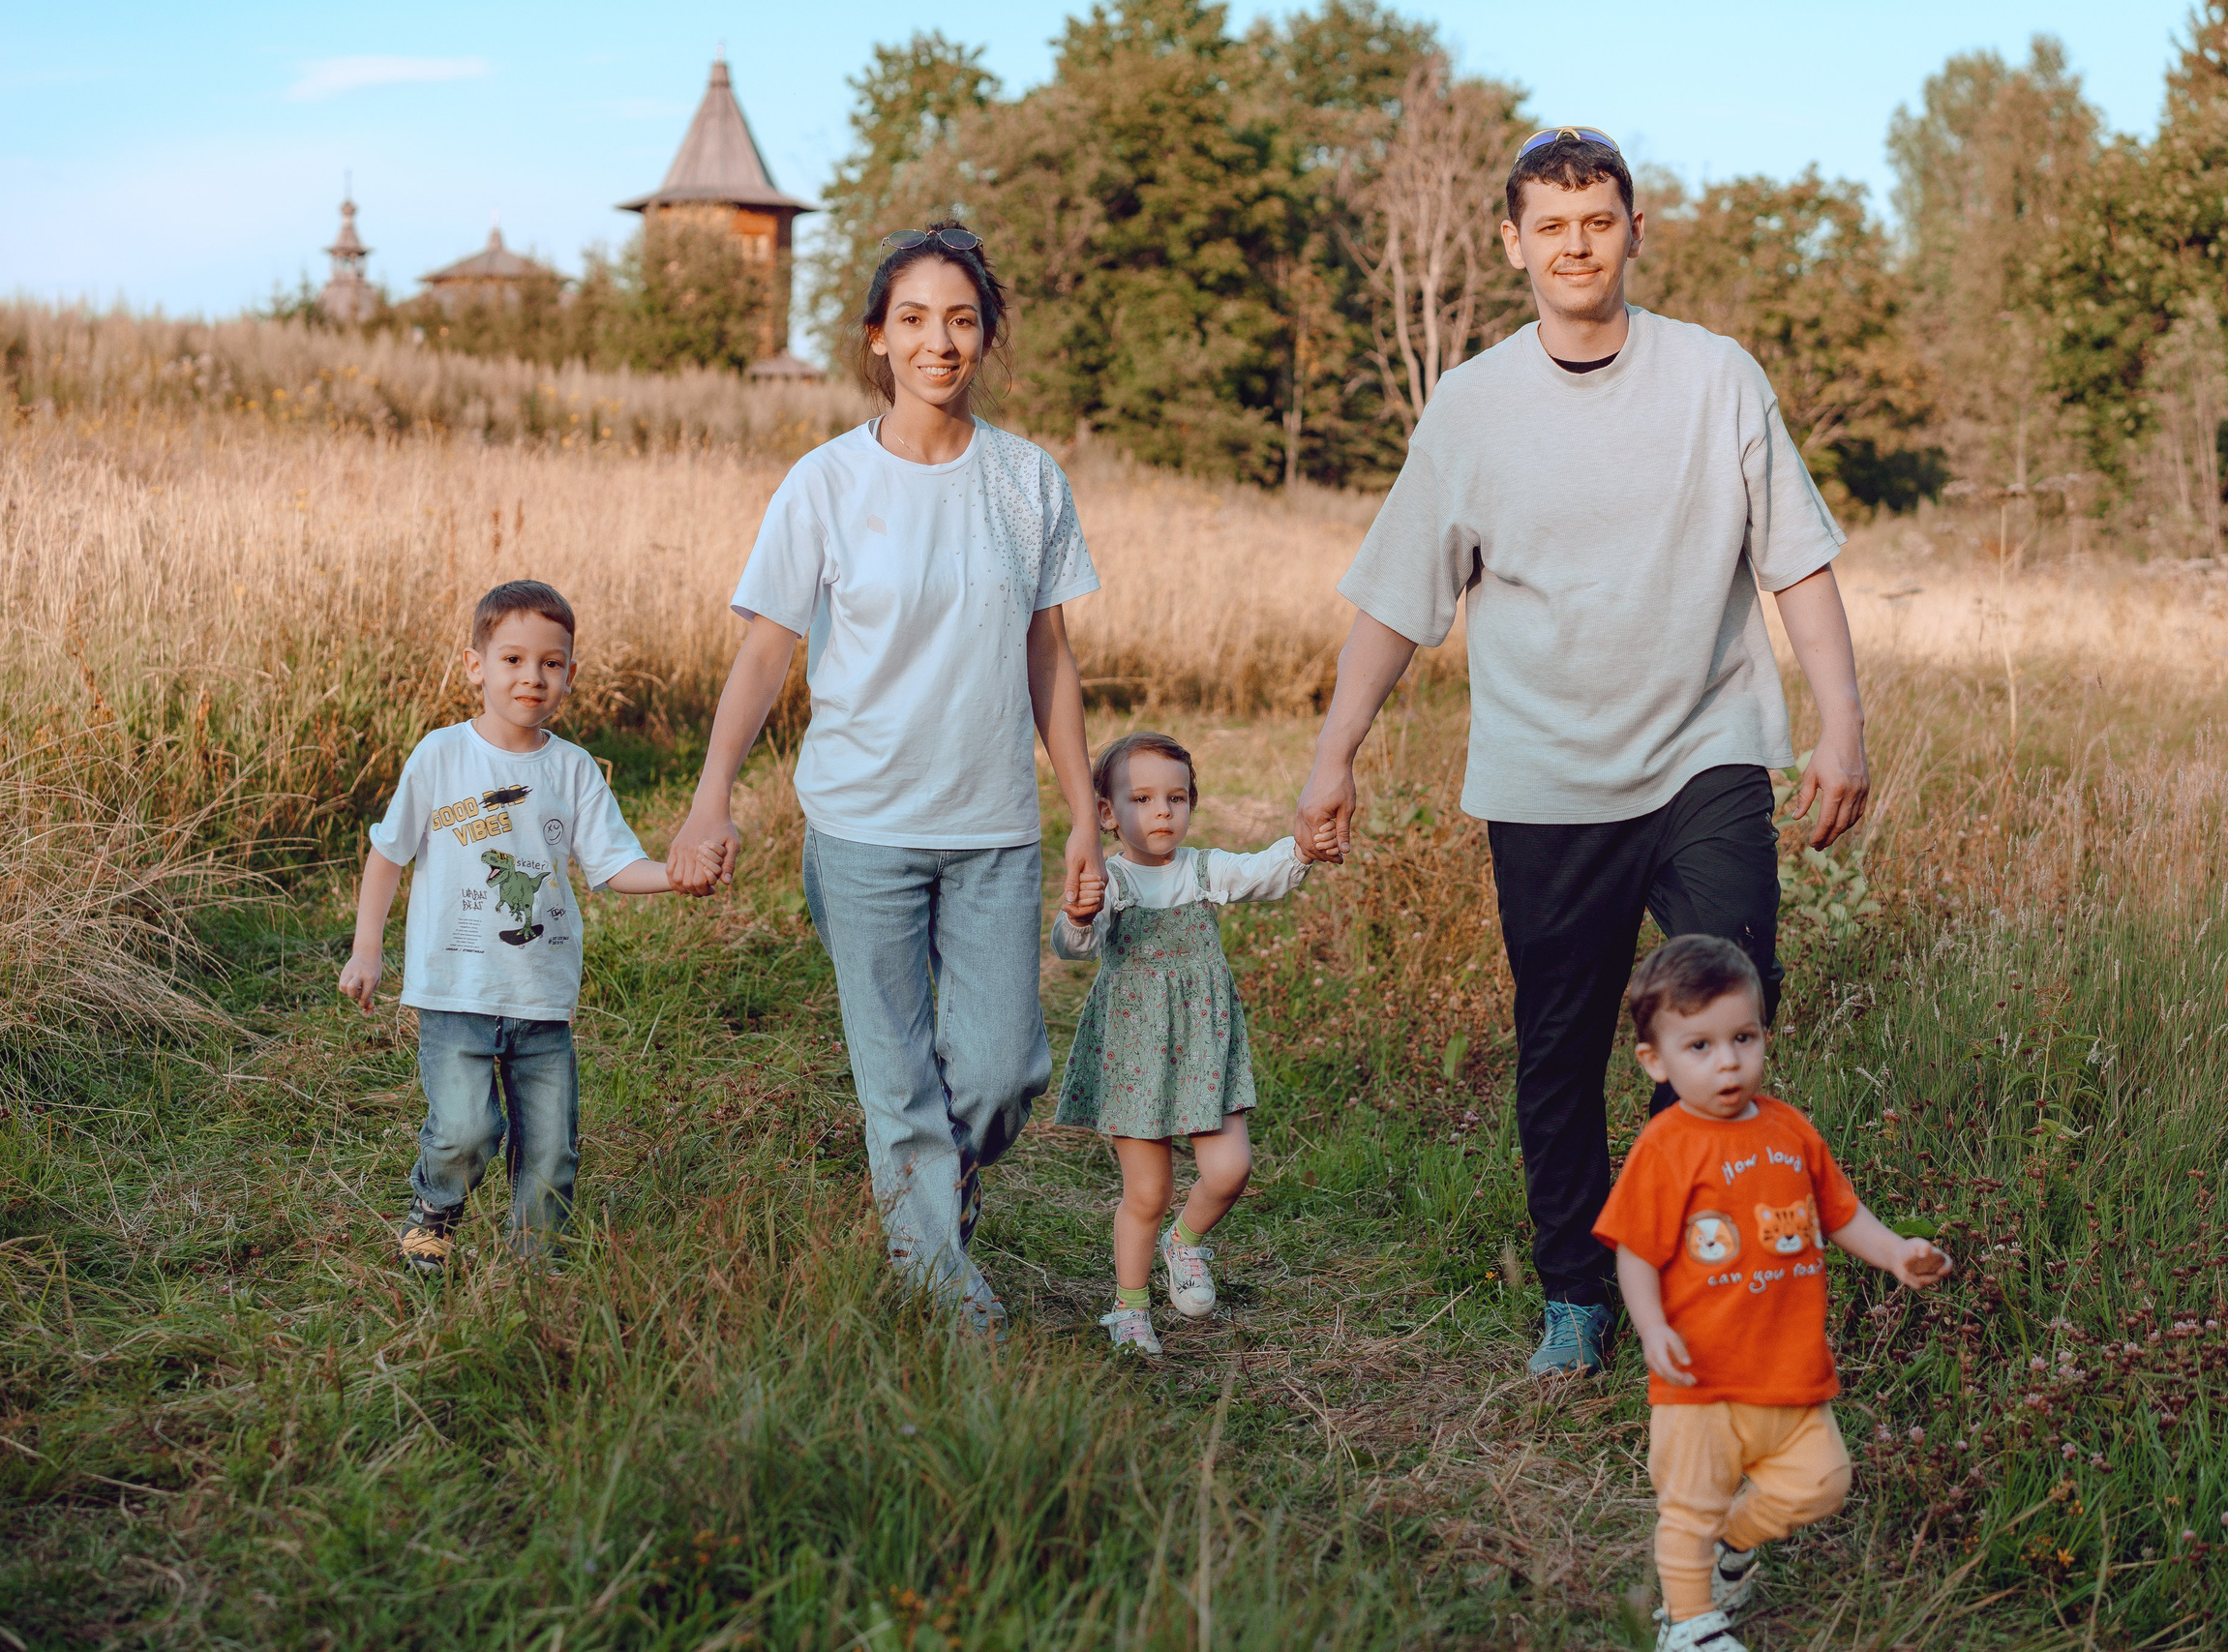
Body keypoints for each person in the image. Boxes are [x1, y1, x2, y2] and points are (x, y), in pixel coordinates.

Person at [1293, 128, 1874, 1375]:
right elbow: (1400, 596)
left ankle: (1692, 1269)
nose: (1575, 245)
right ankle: (1578, 1289)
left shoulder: (1717, 377)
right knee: (1558, 1039)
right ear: (1513, 243)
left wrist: (1842, 723)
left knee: (1718, 1011)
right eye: (1550, 226)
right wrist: (1335, 750)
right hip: (1547, 774)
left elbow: (1797, 563)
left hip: (1707, 752)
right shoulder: (1471, 404)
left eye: (1597, 222)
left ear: (1633, 232)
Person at [666, 223, 1104, 1337]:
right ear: (876, 338)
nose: (938, 341)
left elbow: (1047, 653)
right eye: (912, 319)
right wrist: (712, 794)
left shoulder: (1025, 481)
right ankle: (944, 1297)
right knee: (897, 1078)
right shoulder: (823, 484)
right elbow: (766, 649)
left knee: (1003, 1071)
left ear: (986, 338)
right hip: (860, 824)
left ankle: (935, 1208)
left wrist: (1085, 814)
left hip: (993, 823)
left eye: (961, 319)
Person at [1594, 935, 1948, 1651]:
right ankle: (1688, 1624)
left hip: (1785, 1366)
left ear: (1763, 1035)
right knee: (1687, 1506)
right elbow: (1635, 1251)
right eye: (1699, 1045)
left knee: (1823, 1483)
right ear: (1655, 1061)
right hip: (1699, 1375)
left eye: (1743, 1037)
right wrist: (1651, 1324)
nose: (1728, 1060)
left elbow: (1841, 1212)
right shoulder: (1665, 1147)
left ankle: (1735, 1540)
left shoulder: (1790, 1129)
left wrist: (1896, 1253)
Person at [339, 581, 678, 1270]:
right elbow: (387, 853)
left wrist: (677, 874)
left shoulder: (574, 770)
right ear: (476, 666)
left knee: (552, 1148)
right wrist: (367, 949)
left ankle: (535, 1264)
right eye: (514, 659)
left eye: (551, 663)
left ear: (570, 676)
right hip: (455, 990)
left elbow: (614, 865)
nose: (533, 676)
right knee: (466, 1130)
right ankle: (435, 1207)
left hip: (541, 993)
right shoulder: (440, 756)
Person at [1050, 733, 1310, 1355]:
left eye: (1176, 797)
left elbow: (1262, 873)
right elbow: (1071, 945)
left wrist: (1304, 847)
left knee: (1230, 1170)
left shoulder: (1202, 871)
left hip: (1202, 1045)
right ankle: (1130, 1308)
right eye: (1140, 799)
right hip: (1136, 1053)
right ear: (1107, 815)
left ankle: (1185, 1242)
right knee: (1148, 1192)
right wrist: (1080, 916)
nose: (1162, 811)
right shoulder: (1111, 881)